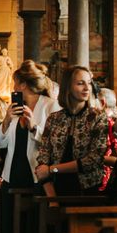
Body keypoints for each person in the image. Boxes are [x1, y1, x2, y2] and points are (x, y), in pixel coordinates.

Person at [0, 60, 59, 233]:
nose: (13, 88)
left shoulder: (50, 106)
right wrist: (5, 120)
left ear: (23, 84)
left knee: (31, 230)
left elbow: (54, 142)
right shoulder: (14, 107)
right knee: (10, 227)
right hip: (11, 174)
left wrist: (34, 127)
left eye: (15, 83)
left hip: (35, 176)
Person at [35, 66, 108, 196]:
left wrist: (53, 169)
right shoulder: (54, 118)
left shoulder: (97, 117)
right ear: (68, 87)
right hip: (55, 189)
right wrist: (52, 199)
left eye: (89, 83)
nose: (87, 88)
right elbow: (42, 160)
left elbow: (94, 159)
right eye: (80, 83)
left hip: (87, 190)